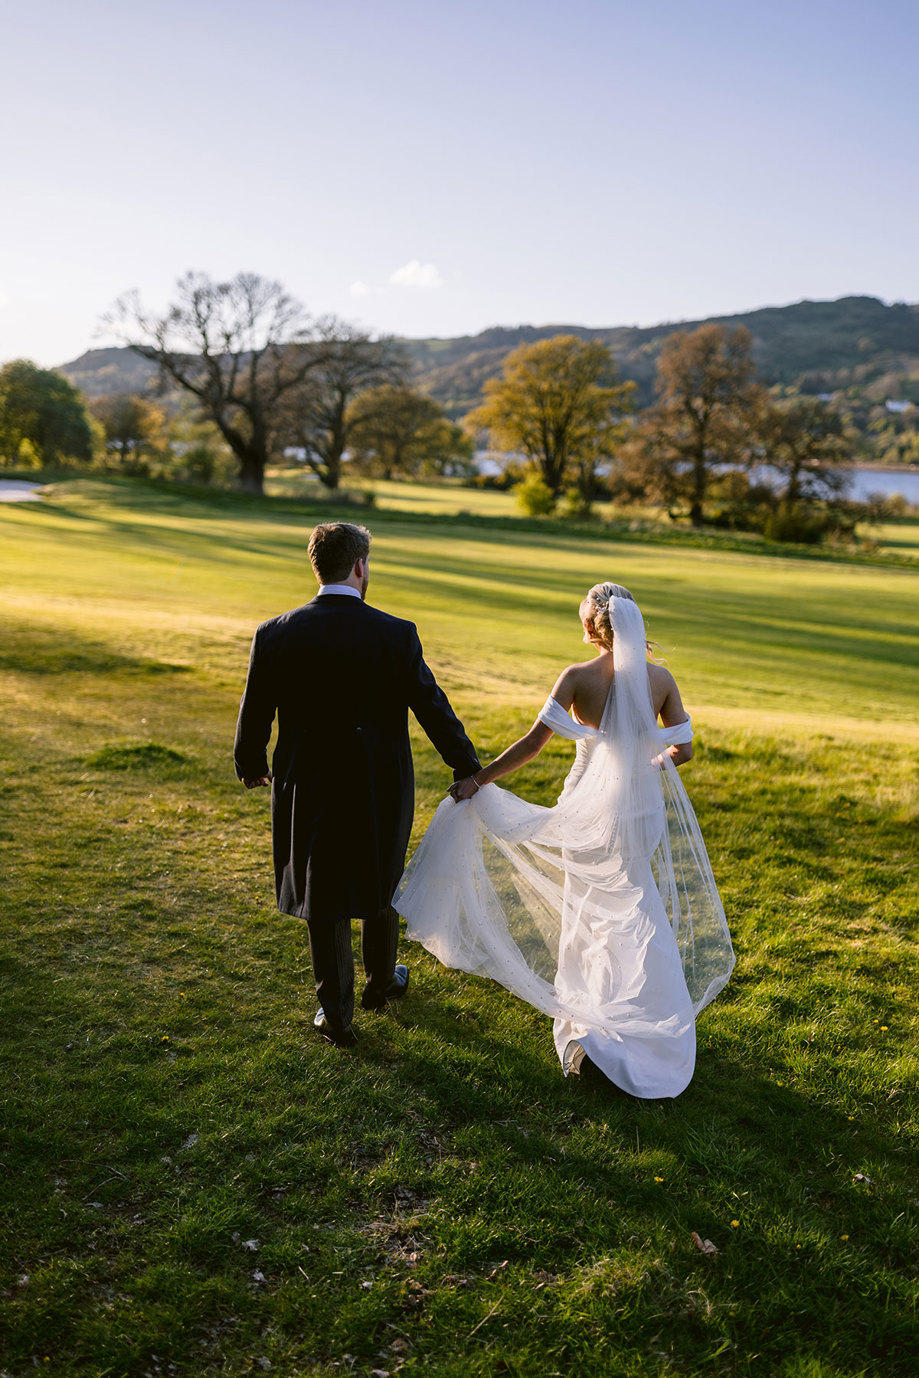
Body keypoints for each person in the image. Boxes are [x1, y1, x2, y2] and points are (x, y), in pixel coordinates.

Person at [396, 582, 734, 1098]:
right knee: (635, 901)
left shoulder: (577, 678)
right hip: (639, 808)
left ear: (593, 629)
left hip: (588, 804)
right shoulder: (660, 679)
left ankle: (597, 1012)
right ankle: (649, 1012)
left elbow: (533, 745)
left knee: (588, 907)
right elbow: (683, 748)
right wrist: (649, 763)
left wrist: (477, 779)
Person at [234, 521, 480, 1048]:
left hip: (307, 783)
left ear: (317, 566)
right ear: (360, 566)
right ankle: (381, 979)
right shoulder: (395, 632)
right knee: (381, 876)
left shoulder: (276, 631)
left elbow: (255, 711)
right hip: (379, 782)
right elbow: (432, 707)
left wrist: (250, 760)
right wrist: (466, 765)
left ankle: (336, 1013)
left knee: (321, 888)